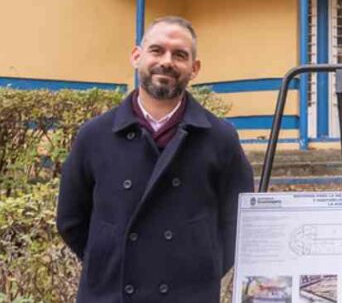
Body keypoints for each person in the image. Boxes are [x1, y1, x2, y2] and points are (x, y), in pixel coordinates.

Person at [57, 16, 254, 303]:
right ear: (137, 56)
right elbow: (71, 219)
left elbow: (237, 222)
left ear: (194, 68)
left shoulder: (221, 138)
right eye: (157, 50)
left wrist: (203, 268)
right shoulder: (94, 135)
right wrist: (107, 260)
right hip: (110, 293)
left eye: (180, 55)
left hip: (188, 295)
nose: (167, 61)